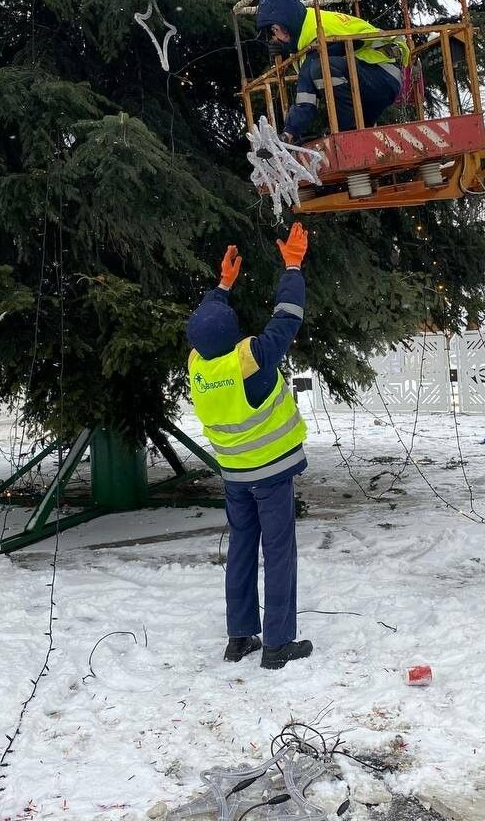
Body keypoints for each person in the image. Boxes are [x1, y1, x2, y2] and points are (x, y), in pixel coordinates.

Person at [187, 222, 312, 670]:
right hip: (271, 475)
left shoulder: (198, 366)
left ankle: (239, 637)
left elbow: (205, 321)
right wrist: (292, 266)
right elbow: (288, 316)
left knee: (241, 549)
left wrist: (222, 286)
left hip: (235, 477)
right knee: (278, 553)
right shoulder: (252, 361)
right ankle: (278, 644)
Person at [255, 0, 410, 144]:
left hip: (383, 73)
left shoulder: (317, 33)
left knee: (322, 69)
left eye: (275, 29)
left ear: (287, 23)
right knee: (321, 70)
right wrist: (286, 49)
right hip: (374, 76)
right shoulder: (306, 30)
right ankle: (355, 127)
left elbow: (306, 93)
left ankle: (348, 132)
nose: (276, 37)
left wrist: (288, 134)